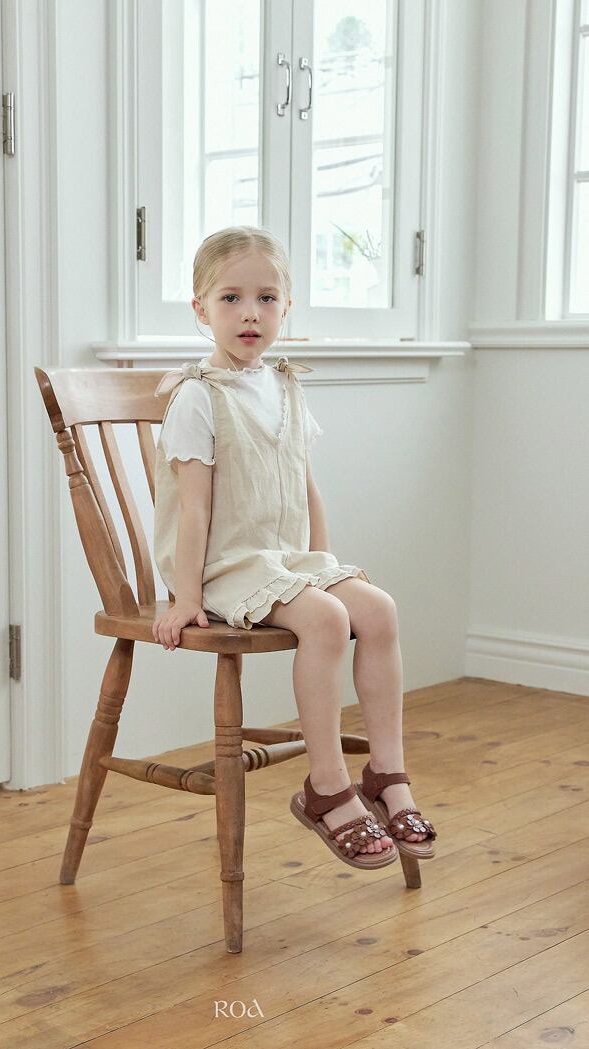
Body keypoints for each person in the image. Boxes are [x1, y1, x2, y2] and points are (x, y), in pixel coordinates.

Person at [151, 226, 437, 870]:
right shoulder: (198, 396)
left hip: (283, 559)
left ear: (287, 306)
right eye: (230, 298)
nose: (250, 313)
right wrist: (186, 596)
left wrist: (325, 567)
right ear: (201, 309)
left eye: (267, 298)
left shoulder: (284, 385)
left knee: (378, 609)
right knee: (327, 620)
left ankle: (387, 774)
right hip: (224, 565)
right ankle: (326, 786)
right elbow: (193, 509)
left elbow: (305, 484)